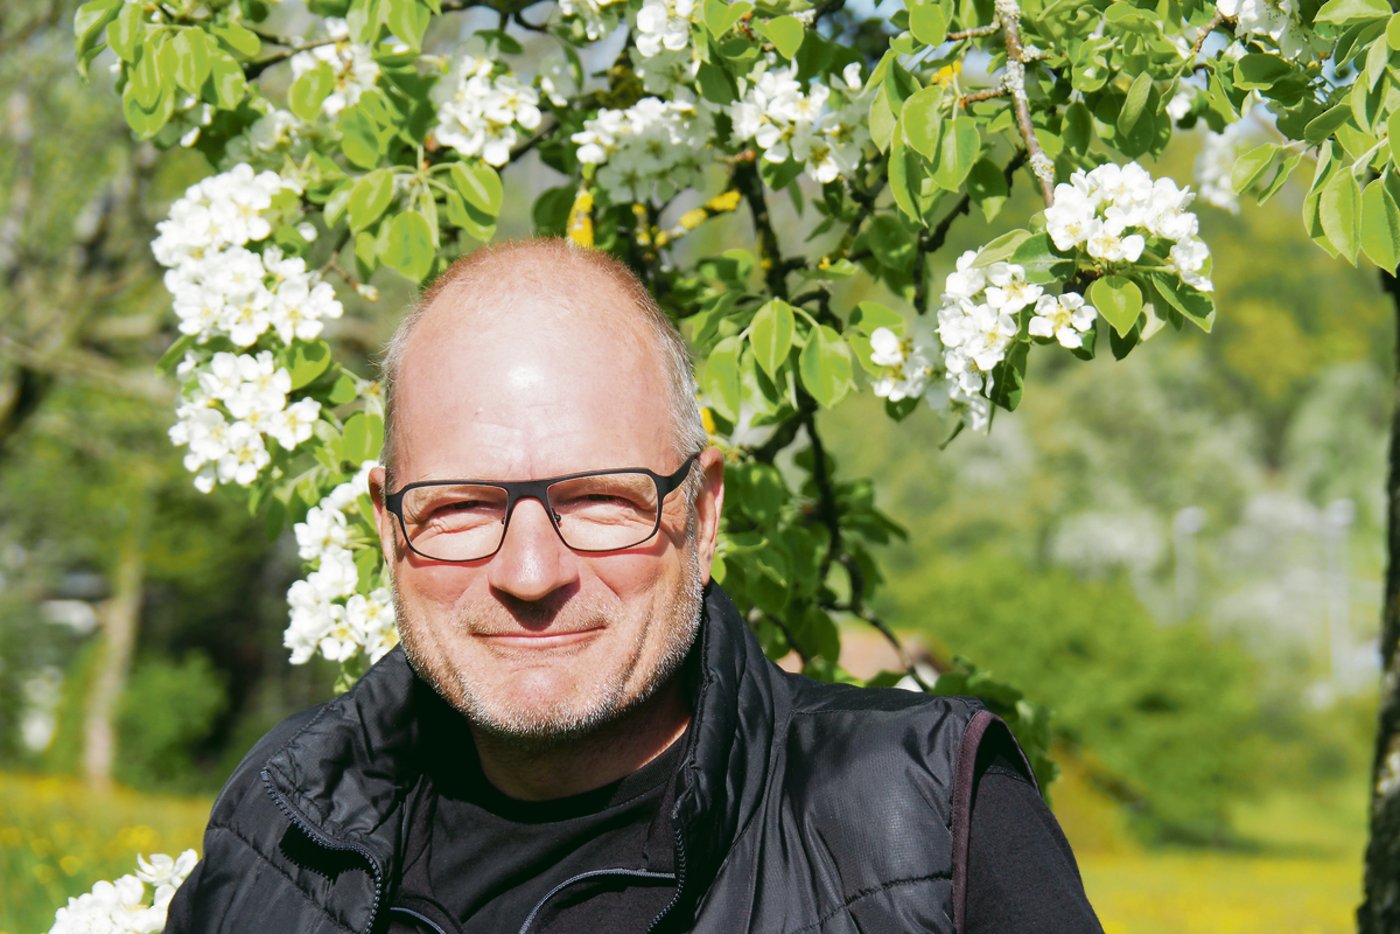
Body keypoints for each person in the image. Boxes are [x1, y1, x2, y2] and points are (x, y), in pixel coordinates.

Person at [164, 238, 1102, 933]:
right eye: (461, 507)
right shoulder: (280, 828)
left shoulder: (927, 826)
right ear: (387, 525)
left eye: (601, 500)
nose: (531, 573)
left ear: (704, 510)